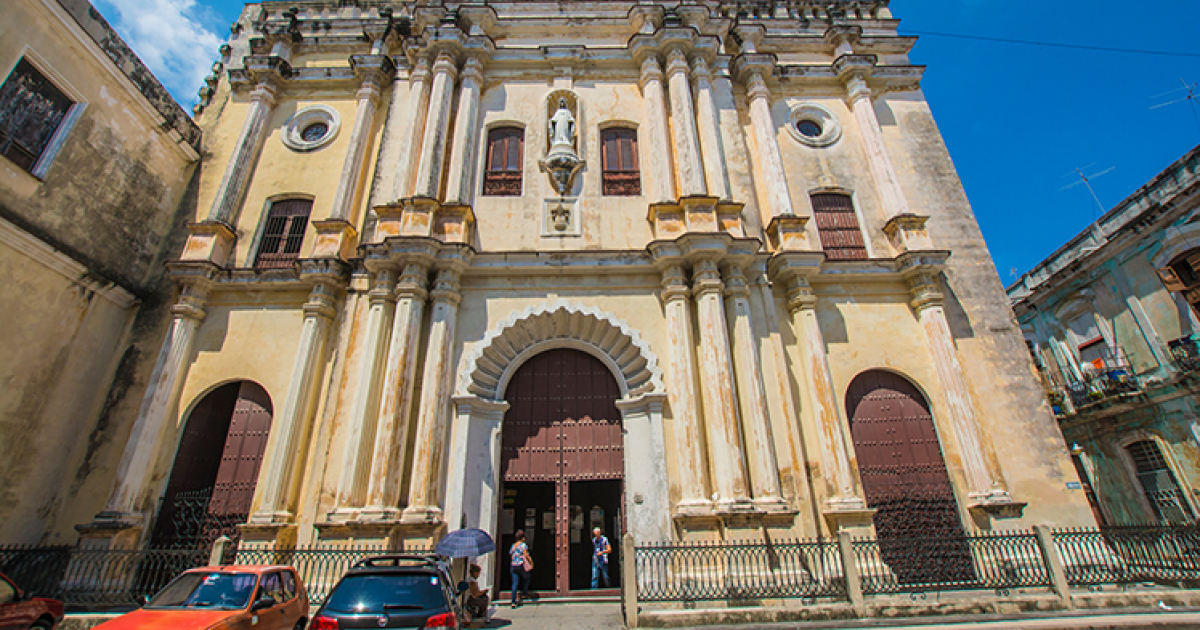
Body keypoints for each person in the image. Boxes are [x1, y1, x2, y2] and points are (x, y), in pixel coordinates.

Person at [509, 530, 532, 607]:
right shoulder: (523, 545)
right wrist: (531, 563)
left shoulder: (513, 546)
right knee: (527, 577)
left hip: (513, 566)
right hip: (520, 565)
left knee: (514, 583)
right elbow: (526, 555)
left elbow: (511, 555)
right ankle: (524, 594)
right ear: (522, 538)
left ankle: (513, 601)